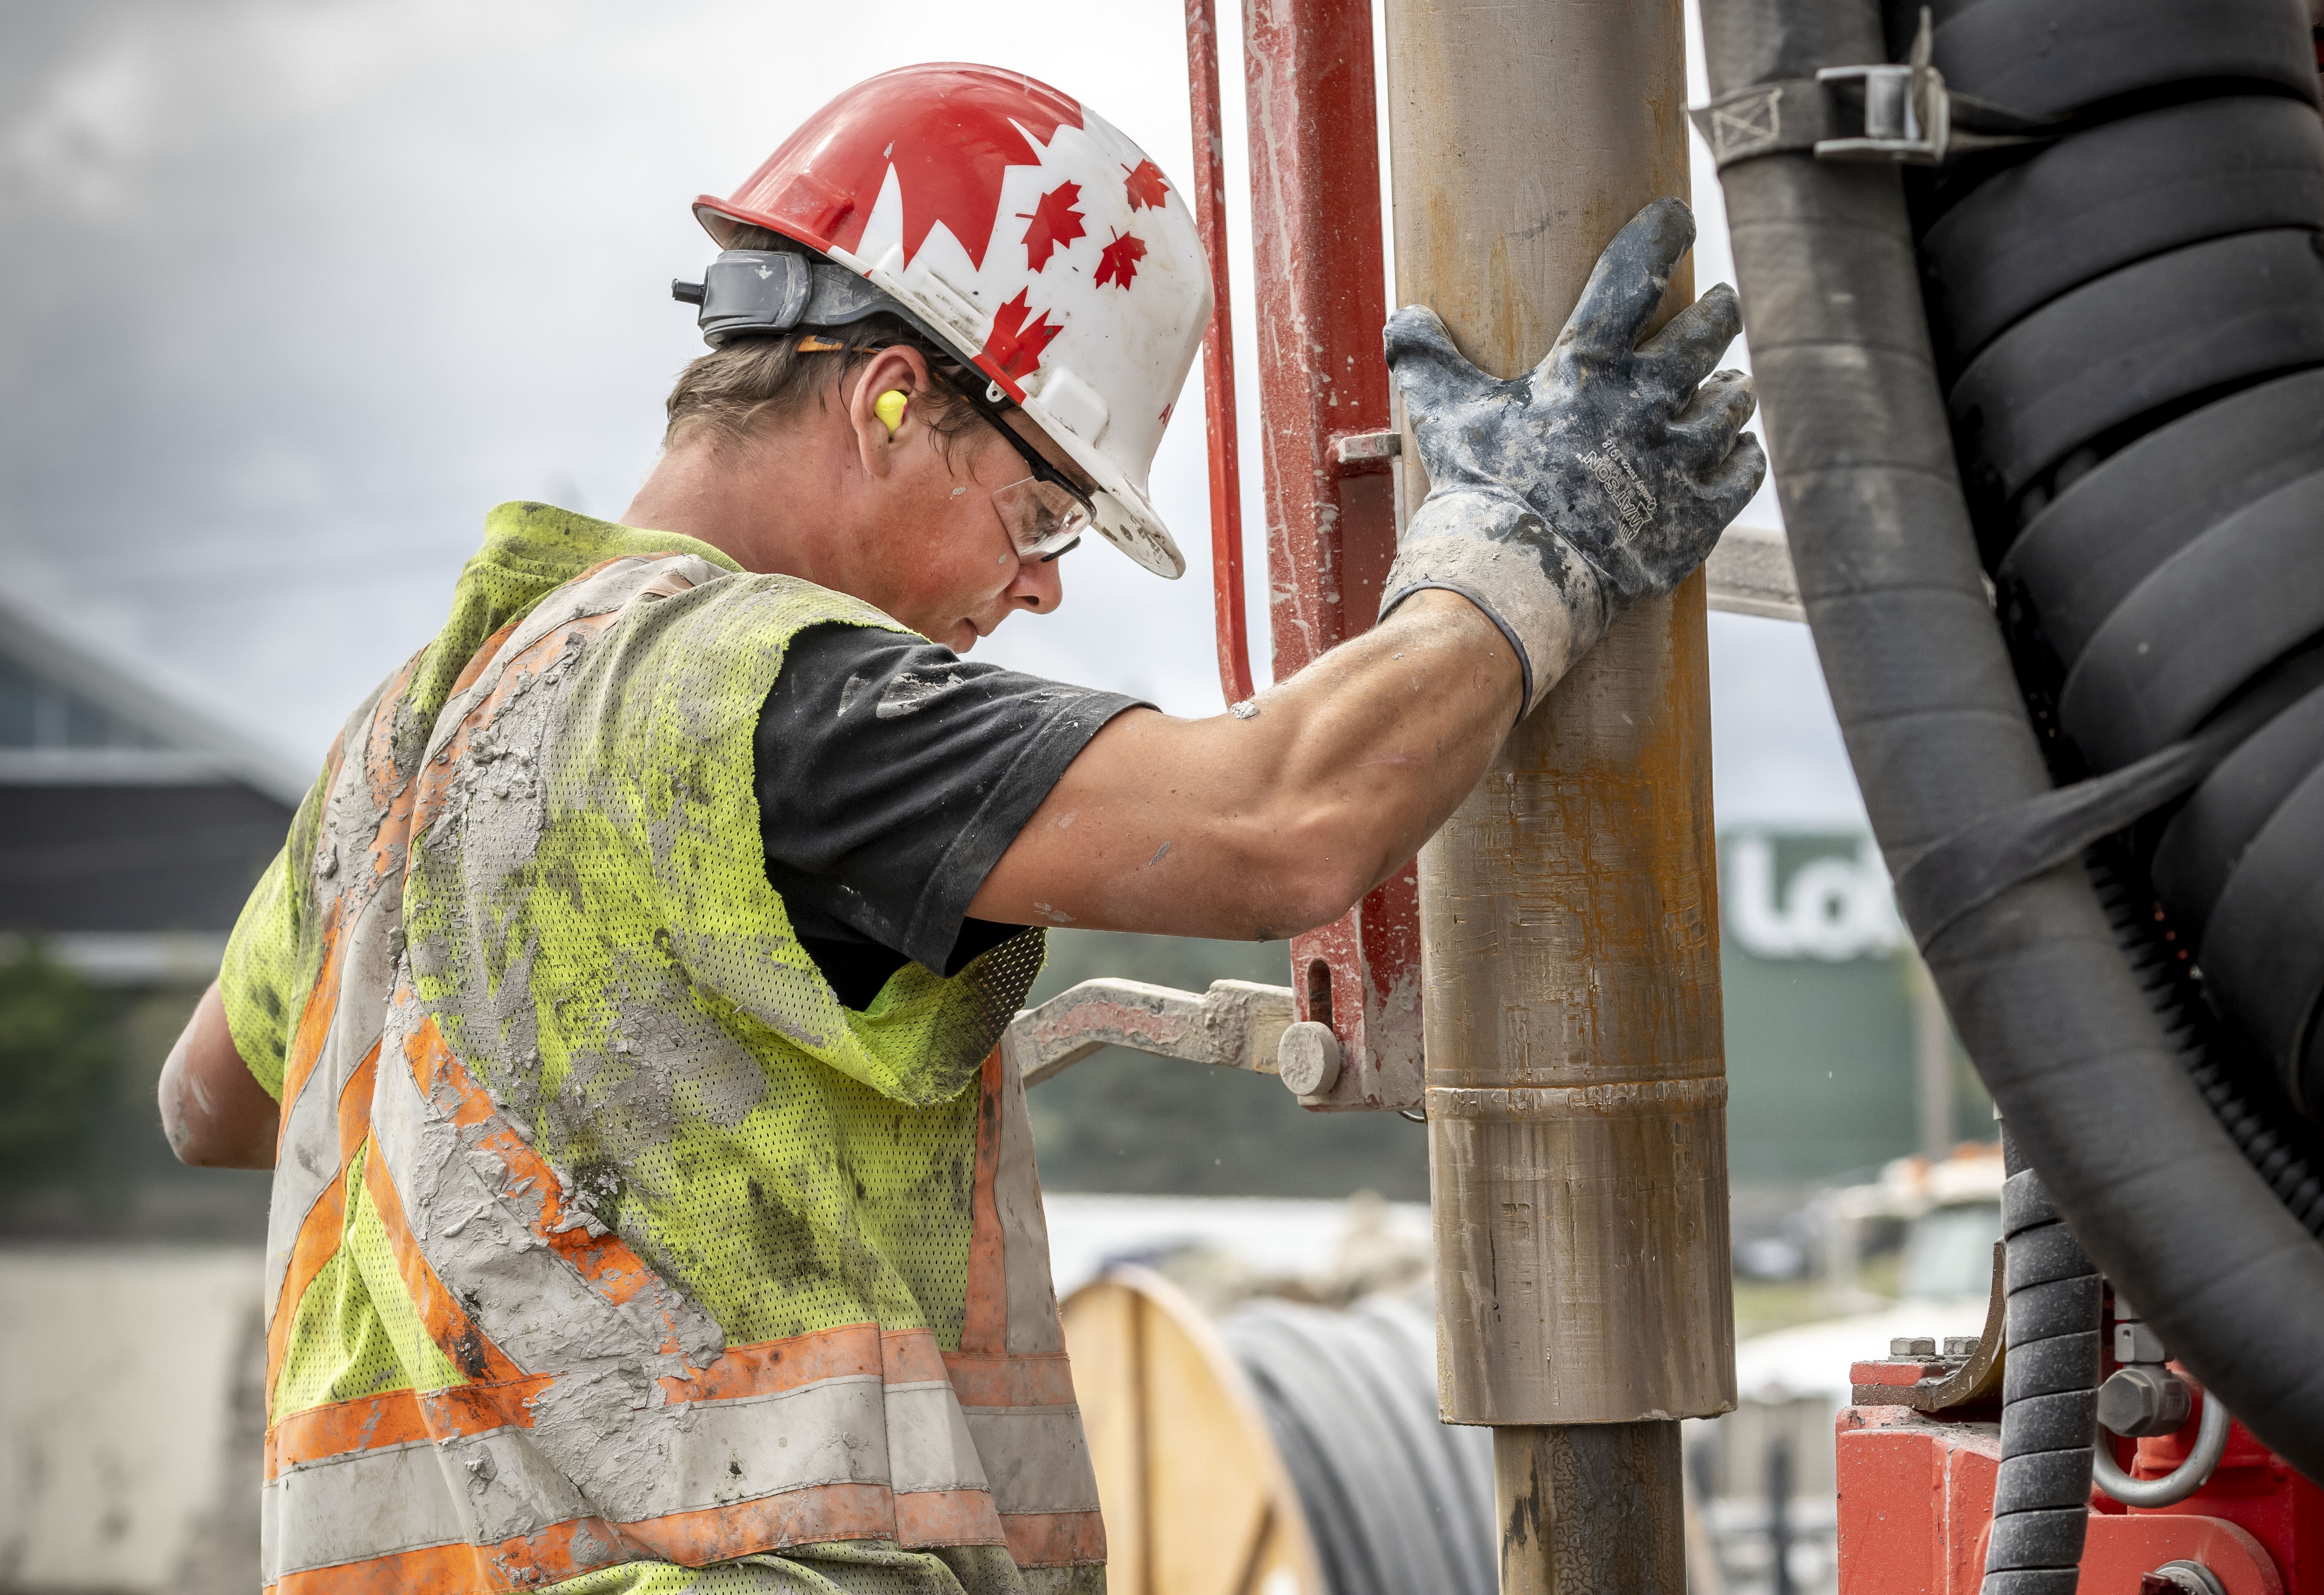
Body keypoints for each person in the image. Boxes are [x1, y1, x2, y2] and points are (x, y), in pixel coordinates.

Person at [155, 62, 1761, 1595]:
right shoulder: (750, 700)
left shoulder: (412, 736)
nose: (1045, 582)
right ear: (892, 399)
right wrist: (1525, 542)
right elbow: (1283, 818)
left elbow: (214, 1101)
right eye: (1047, 508)